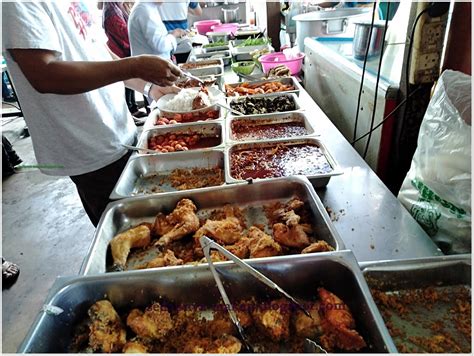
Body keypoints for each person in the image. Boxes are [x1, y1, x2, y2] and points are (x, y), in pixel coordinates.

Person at [2, 1, 181, 226]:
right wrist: (134, 66)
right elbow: (44, 75)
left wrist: (148, 86)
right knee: (134, 238)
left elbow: (98, 51)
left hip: (120, 132)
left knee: (157, 223)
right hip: (88, 146)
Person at [101, 1, 147, 121]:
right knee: (126, 83)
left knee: (129, 83)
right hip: (119, 51)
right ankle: (131, 109)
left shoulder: (118, 7)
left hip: (124, 50)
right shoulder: (111, 12)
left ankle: (133, 108)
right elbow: (124, 34)